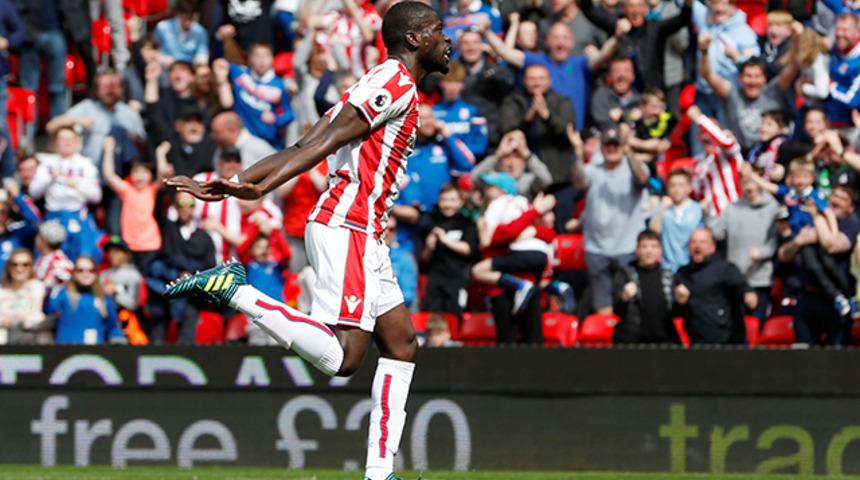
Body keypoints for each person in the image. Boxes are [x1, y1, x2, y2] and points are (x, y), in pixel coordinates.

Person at [165, 4, 452, 480]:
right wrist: (257, 187)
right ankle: (237, 291)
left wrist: (240, 181)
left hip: (365, 231)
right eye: (439, 31)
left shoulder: (381, 81)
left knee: (401, 345)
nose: (448, 40)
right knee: (344, 358)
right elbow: (320, 146)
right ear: (417, 38)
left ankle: (380, 474)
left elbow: (306, 142)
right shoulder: (393, 84)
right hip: (349, 223)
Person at [479, 17, 627, 132]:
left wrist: (617, 37)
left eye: (564, 38)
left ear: (572, 43)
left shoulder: (580, 64)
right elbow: (506, 53)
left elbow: (602, 56)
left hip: (573, 134)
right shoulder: (536, 60)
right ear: (547, 41)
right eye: (556, 38)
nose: (560, 43)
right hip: (542, 136)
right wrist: (487, 32)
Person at [574, 128, 649, 315]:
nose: (612, 148)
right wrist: (577, 154)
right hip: (596, 247)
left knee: (630, 301)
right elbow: (578, 181)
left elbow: (641, 179)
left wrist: (629, 152)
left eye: (616, 144)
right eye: (608, 145)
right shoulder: (593, 169)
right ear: (602, 147)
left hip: (628, 247)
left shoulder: (633, 166)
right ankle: (606, 341)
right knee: (602, 305)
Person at [698, 25, 801, 152]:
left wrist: (797, 40)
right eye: (748, 76)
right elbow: (708, 75)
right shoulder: (732, 93)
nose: (753, 81)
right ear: (740, 78)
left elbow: (793, 66)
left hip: (770, 154)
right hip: (739, 154)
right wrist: (704, 52)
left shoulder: (774, 90)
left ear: (765, 79)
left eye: (757, 76)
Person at [779, 186, 860, 345]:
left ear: (851, 207)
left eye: (842, 199)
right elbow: (783, 255)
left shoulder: (850, 224)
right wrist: (798, 242)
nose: (836, 200)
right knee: (804, 354)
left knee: (837, 355)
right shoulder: (807, 219)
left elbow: (832, 245)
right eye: (834, 195)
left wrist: (818, 217)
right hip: (807, 295)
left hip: (838, 300)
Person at [708, 174, 781, 323]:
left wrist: (763, 252)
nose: (748, 187)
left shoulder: (773, 207)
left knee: (756, 325)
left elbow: (777, 239)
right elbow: (717, 233)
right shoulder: (732, 208)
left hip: (759, 279)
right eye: (744, 183)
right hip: (735, 278)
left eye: (752, 182)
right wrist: (708, 214)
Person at [29, 127, 102, 262]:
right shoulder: (47, 163)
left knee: (82, 257)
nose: (67, 142)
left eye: (71, 139)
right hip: (53, 215)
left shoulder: (86, 164)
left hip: (77, 215)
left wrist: (73, 183)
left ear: (76, 142)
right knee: (48, 258)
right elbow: (34, 192)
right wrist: (50, 178)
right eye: (63, 139)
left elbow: (96, 196)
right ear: (55, 143)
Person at [674, 228, 758, 344]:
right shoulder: (683, 273)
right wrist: (679, 301)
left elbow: (743, 288)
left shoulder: (725, 269)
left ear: (712, 246)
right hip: (698, 341)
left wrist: (748, 295)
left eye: (703, 242)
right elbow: (676, 311)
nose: (697, 246)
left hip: (727, 341)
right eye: (693, 242)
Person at [498, 64, 575, 187]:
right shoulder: (513, 101)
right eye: (532, 79)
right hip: (524, 177)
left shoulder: (562, 101)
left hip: (559, 176)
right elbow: (508, 131)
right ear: (524, 80)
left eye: (541, 78)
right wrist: (528, 119)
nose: (536, 83)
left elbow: (568, 131)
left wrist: (547, 117)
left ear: (550, 80)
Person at [102, 137, 168, 267]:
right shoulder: (127, 190)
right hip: (129, 244)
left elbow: (163, 175)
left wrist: (160, 155)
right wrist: (108, 151)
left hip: (150, 243)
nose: (139, 176)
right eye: (136, 172)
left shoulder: (152, 189)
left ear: (151, 175)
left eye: (144, 172)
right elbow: (109, 175)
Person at [216, 43, 295, 149]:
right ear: (250, 59)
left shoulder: (279, 85)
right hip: (243, 139)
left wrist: (275, 118)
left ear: (272, 59)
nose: (261, 60)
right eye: (257, 56)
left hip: (269, 143)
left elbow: (289, 114)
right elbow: (220, 60)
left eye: (266, 56)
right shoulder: (240, 74)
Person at [421, 183, 478, 317]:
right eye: (444, 200)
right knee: (432, 318)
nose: (447, 205)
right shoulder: (432, 222)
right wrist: (429, 246)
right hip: (435, 279)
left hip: (458, 278)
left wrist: (445, 239)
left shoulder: (466, 222)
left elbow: (469, 249)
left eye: (452, 200)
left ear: (460, 202)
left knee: (454, 316)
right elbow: (424, 259)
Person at [612, 230, 679, 344]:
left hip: (664, 340)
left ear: (660, 250)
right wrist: (625, 297)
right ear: (637, 250)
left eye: (654, 246)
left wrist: (682, 302)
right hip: (632, 341)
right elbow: (617, 311)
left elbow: (676, 313)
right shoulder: (625, 274)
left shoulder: (669, 276)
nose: (649, 251)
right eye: (644, 246)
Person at [48, 256, 126, 345]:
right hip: (65, 350)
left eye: (91, 270)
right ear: (74, 273)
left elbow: (113, 327)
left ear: (96, 273)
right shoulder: (63, 295)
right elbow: (50, 310)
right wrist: (52, 286)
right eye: (80, 270)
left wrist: (117, 340)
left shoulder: (104, 299)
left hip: (94, 352)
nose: (86, 274)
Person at [471, 129, 553, 198]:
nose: (511, 163)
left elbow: (546, 180)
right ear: (500, 161)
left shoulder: (528, 181)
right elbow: (474, 177)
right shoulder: (493, 179)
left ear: (524, 162)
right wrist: (498, 154)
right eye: (507, 157)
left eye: (517, 157)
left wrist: (527, 154)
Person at [650, 169, 703, 272]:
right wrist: (662, 209)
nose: (676, 189)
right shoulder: (664, 208)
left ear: (689, 188)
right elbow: (654, 233)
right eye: (672, 185)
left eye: (680, 185)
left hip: (691, 268)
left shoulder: (698, 210)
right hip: (667, 268)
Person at [0, 248, 49, 344]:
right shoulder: (1, 288)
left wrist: (19, 319)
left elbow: (36, 313)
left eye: (25, 265)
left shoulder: (36, 286)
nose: (19, 269)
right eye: (14, 264)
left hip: (29, 333)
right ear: (8, 267)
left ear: (31, 267)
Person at [210, 111, 277, 170]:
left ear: (232, 130)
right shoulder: (220, 149)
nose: (212, 136)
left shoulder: (259, 147)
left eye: (217, 132)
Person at [827, 13, 860, 130]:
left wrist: (829, 85)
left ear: (857, 32)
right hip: (828, 118)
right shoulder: (835, 50)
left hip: (850, 126)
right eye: (837, 29)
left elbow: (853, 100)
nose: (839, 34)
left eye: (845, 30)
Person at [153, 0, 210, 65]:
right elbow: (154, 51)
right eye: (186, 17)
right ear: (178, 14)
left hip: (190, 69)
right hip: (165, 67)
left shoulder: (200, 31)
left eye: (191, 18)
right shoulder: (162, 27)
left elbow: (202, 54)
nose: (188, 22)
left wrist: (196, 63)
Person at [33, 220, 73, 289]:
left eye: (38, 235)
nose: (35, 238)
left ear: (44, 240)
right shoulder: (42, 258)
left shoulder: (60, 263)